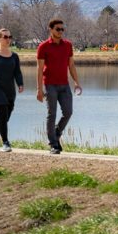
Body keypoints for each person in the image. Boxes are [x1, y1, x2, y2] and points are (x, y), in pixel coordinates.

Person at [37, 18, 82, 154]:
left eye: (62, 29)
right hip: (49, 85)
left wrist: (76, 82)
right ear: (50, 29)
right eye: (58, 29)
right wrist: (39, 89)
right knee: (52, 114)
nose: (60, 31)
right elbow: (39, 69)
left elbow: (71, 65)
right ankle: (53, 144)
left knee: (68, 112)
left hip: (64, 85)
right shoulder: (43, 46)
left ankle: (56, 133)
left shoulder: (67, 45)